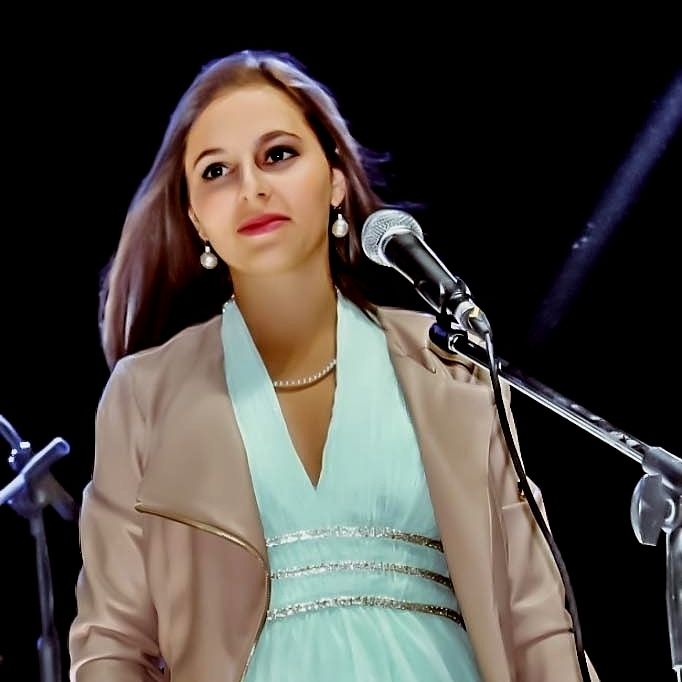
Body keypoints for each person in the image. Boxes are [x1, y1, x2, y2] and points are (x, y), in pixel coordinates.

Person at [69, 49, 600, 681]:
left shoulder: (449, 368)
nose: (252, 188)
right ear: (195, 218)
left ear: (336, 180)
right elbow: (111, 642)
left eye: (278, 154)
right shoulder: (146, 394)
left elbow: (536, 616)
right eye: (217, 171)